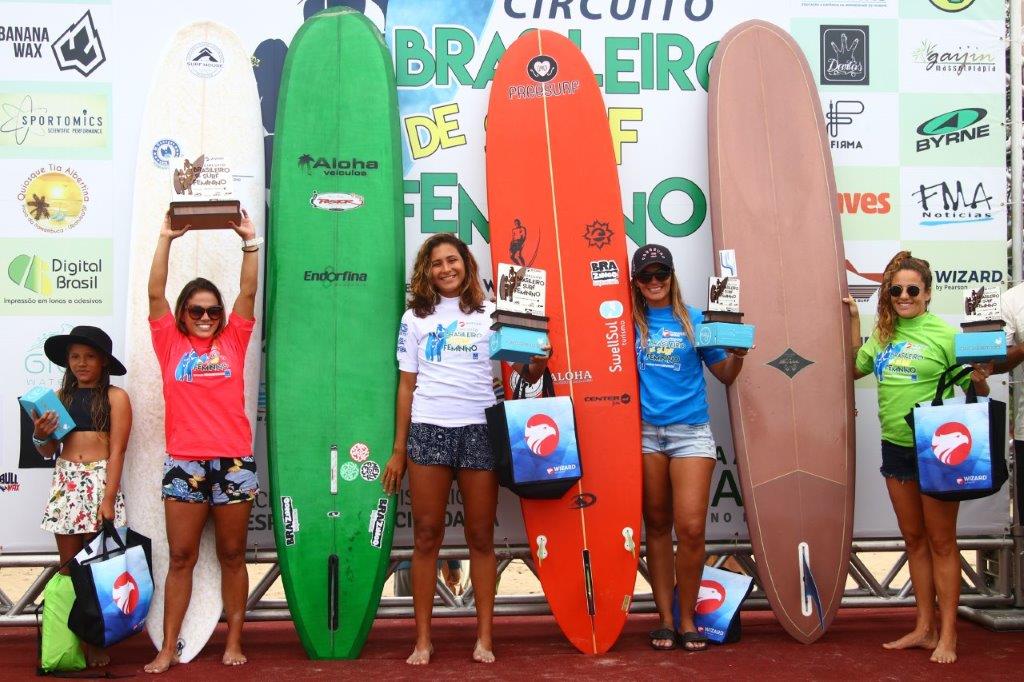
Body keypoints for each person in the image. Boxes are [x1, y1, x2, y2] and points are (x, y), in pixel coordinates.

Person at [383, 233, 547, 665]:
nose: (446, 269)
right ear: (427, 271)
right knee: (426, 537)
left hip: (479, 429)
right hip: (428, 430)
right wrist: (399, 450)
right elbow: (406, 386)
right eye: (436, 263)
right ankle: (423, 640)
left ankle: (485, 639)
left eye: (452, 260)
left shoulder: (492, 313)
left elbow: (526, 369)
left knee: (480, 537)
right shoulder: (414, 318)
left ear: (466, 264)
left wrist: (539, 359)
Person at [844, 250, 990, 665]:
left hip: (938, 447)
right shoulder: (883, 334)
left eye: (912, 290)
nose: (904, 297)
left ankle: (949, 634)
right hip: (895, 445)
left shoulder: (944, 334)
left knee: (942, 542)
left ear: (927, 294)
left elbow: (974, 389)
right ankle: (924, 628)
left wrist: (980, 377)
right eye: (896, 291)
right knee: (913, 540)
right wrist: (854, 321)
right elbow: (854, 368)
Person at [144, 209, 261, 674]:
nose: (207, 317)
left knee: (231, 555)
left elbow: (248, 291)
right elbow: (155, 293)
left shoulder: (233, 339)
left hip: (233, 461)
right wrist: (165, 239)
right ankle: (167, 648)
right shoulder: (169, 342)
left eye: (213, 310)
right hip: (185, 462)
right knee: (181, 557)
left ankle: (234, 639)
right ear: (183, 314)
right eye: (197, 310)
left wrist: (249, 242)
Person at [630, 244, 746, 652]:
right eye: (646, 275)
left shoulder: (695, 320)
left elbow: (726, 374)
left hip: (691, 433)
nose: (655, 281)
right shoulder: (626, 324)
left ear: (672, 275)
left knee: (692, 529)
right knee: (657, 526)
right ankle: (665, 618)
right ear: (636, 282)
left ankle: (688, 617)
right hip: (644, 434)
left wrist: (738, 355)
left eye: (661, 273)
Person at [32, 326, 132, 668]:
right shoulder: (58, 397)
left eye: (89, 356)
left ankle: (96, 642)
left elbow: (118, 451)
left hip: (100, 482)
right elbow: (48, 450)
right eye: (75, 357)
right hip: (67, 483)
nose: (81, 363)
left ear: (103, 361)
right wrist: (40, 434)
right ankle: (67, 642)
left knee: (96, 570)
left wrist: (108, 498)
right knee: (68, 569)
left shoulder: (116, 397)